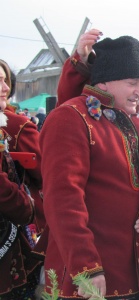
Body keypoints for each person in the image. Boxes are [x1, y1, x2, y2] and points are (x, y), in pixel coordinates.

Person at [39, 34, 139, 299]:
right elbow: (63, 199)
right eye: (132, 82)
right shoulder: (72, 117)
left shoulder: (135, 124)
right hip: (95, 280)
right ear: (104, 80)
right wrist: (86, 267)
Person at [0, 59, 44, 299]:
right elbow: (44, 172)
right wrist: (28, 206)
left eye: (6, 80)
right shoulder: (18, 126)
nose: (6, 87)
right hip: (13, 234)